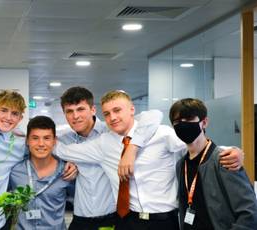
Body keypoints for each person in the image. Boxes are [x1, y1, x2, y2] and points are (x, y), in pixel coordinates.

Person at [56, 90, 243, 230]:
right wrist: (31, 139)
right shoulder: (103, 143)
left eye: (117, 110)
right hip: (125, 220)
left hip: (163, 221)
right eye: (107, 114)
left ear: (132, 110)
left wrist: (232, 151)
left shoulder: (160, 134)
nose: (112, 117)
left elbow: (197, 146)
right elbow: (64, 150)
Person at [0, 90, 77, 230]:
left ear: (20, 118)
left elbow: (44, 148)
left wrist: (71, 162)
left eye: (14, 114)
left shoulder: (20, 145)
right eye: (4, 110)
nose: (8, 117)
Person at [58, 86, 161, 230]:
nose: (75, 116)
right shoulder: (64, 139)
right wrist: (69, 161)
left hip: (112, 218)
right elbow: (42, 142)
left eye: (80, 109)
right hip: (80, 220)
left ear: (93, 109)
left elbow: (153, 116)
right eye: (69, 111)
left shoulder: (113, 130)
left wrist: (132, 147)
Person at [169, 98, 257, 230]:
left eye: (188, 120)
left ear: (204, 123)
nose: (182, 125)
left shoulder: (225, 159)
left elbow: (249, 212)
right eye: (177, 122)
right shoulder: (181, 164)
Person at [9, 116, 72, 229]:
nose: (41, 144)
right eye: (35, 138)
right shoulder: (14, 171)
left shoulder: (67, 171)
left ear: (54, 141)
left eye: (47, 138)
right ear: (27, 141)